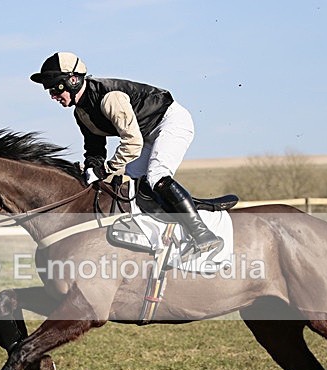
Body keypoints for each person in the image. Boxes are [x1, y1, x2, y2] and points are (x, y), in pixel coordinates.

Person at [30, 52, 223, 256]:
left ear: (73, 80)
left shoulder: (109, 98)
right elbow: (95, 149)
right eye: (49, 90)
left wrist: (105, 170)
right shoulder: (81, 112)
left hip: (170, 121)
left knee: (157, 176)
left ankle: (203, 234)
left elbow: (132, 143)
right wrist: (90, 167)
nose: (52, 95)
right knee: (132, 187)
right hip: (146, 133)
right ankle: (165, 239)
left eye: (55, 88)